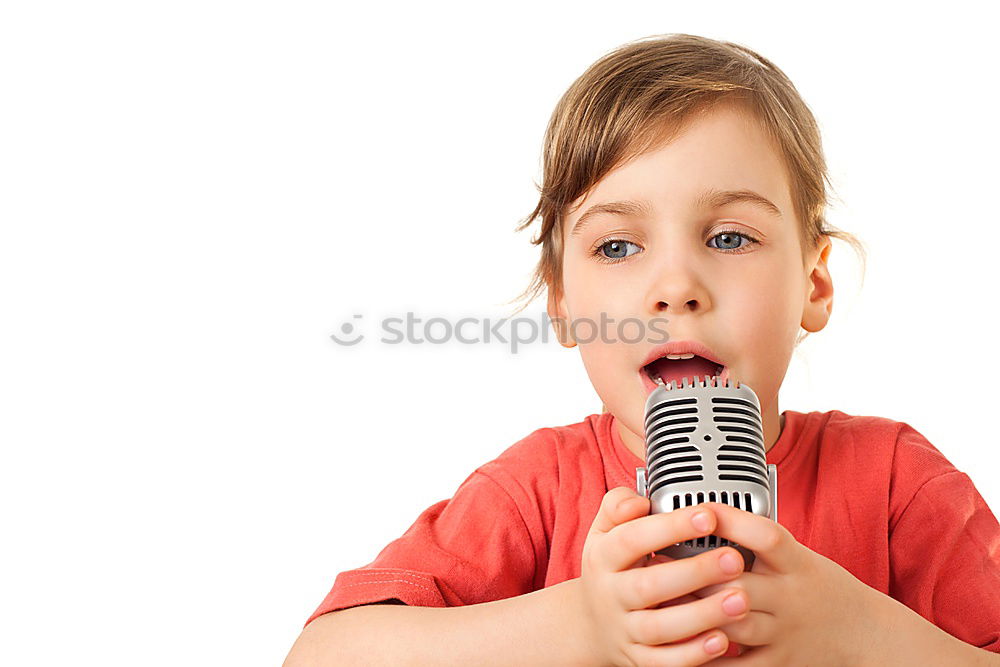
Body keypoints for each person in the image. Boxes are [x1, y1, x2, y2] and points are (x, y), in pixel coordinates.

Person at [283, 33, 1000, 665]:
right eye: (618, 246)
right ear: (564, 306)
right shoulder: (531, 494)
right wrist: (580, 624)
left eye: (728, 237)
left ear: (813, 284)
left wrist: (860, 635)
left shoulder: (897, 485)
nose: (675, 287)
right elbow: (321, 657)